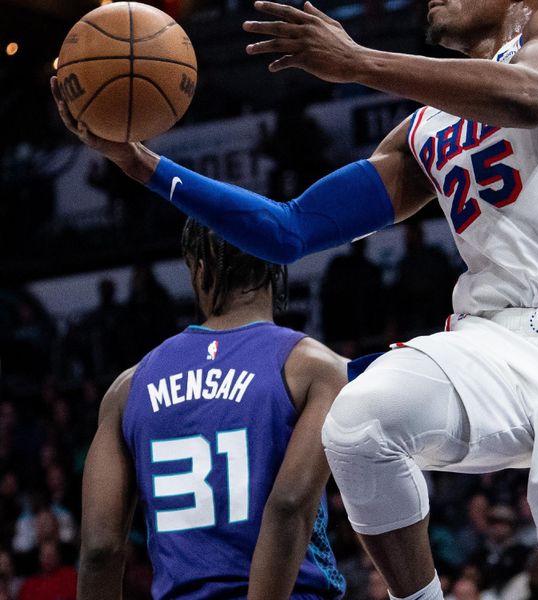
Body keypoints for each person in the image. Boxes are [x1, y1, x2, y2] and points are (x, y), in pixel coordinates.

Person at [51, 0, 538, 598]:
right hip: (495, 340)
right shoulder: (425, 130)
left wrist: (357, 63)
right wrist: (148, 169)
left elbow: (532, 96)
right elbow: (288, 230)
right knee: (357, 421)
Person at [76, 218, 347, 599]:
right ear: (276, 263)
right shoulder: (317, 368)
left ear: (199, 270)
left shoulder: (127, 387)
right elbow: (288, 506)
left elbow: (100, 549)